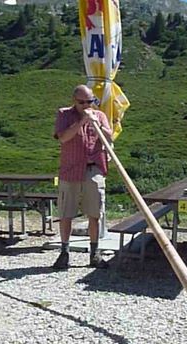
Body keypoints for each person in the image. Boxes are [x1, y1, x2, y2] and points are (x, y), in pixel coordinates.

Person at [51, 85, 113, 270]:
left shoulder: (99, 115)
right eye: (82, 102)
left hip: (93, 169)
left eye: (90, 101)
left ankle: (94, 253)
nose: (86, 105)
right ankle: (64, 252)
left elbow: (109, 136)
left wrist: (97, 125)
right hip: (70, 170)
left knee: (95, 213)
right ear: (74, 101)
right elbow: (63, 137)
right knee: (66, 213)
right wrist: (82, 122)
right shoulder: (64, 114)